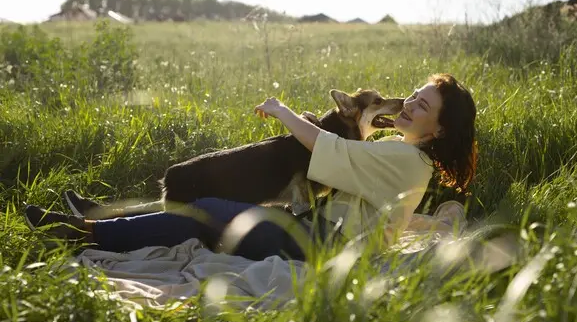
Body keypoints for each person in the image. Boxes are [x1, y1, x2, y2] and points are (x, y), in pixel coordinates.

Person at [25, 73, 478, 261]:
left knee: (205, 214)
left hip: (324, 246)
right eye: (414, 96)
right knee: (209, 206)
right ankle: (94, 221)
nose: (409, 104)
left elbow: (332, 149)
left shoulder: (405, 158)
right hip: (316, 230)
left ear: (438, 130)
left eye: (422, 106)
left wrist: (283, 112)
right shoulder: (403, 154)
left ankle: (82, 233)